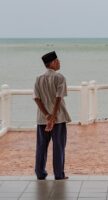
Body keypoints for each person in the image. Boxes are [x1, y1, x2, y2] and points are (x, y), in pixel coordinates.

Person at [33, 51, 71, 180]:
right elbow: (58, 98)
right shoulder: (60, 77)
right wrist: (53, 117)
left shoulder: (39, 78)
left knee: (41, 147)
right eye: (58, 60)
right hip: (58, 119)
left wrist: (47, 116)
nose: (60, 62)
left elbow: (36, 98)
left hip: (42, 119)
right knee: (59, 147)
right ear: (53, 63)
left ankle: (40, 173)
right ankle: (59, 174)